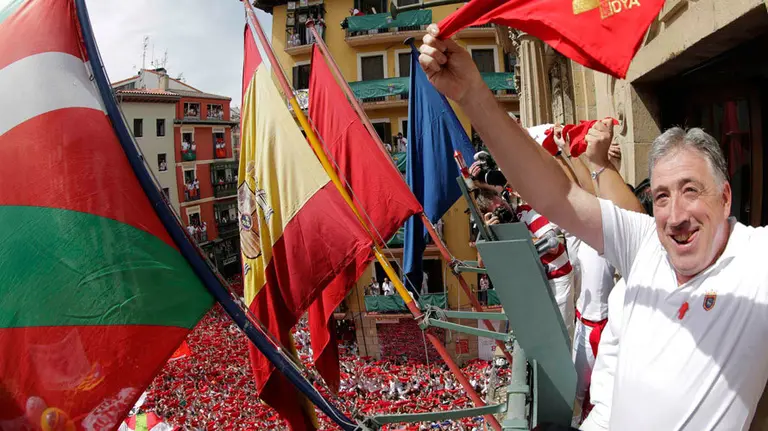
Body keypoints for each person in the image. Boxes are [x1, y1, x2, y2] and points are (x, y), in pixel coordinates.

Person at [419, 25, 768, 429]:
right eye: (661, 197)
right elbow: (557, 196)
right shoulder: (645, 244)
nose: (676, 216)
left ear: (725, 198)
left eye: (691, 191)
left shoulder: (756, 261)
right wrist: (473, 95)